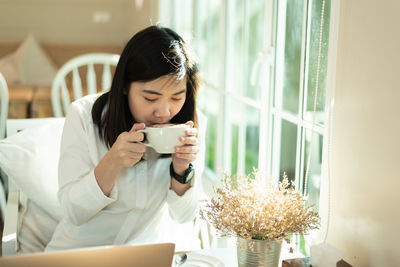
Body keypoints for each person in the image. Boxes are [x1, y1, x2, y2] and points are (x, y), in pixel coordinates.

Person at [46, 25, 206, 251]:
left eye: (177, 97)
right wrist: (112, 161)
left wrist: (182, 171)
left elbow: (184, 217)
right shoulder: (83, 116)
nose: (164, 111)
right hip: (81, 252)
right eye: (151, 98)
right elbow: (74, 213)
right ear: (124, 87)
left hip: (146, 255)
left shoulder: (189, 125)